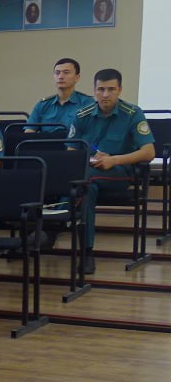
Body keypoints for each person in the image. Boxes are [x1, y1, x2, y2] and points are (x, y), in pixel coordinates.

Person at [71, 68, 155, 275]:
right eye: (100, 89)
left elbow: (149, 152)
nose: (105, 94)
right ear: (94, 90)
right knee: (86, 187)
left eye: (111, 89)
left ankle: (53, 228)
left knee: (83, 181)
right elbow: (70, 151)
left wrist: (114, 160)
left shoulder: (132, 113)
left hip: (121, 172)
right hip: (89, 174)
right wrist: (90, 159)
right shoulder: (82, 115)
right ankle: (86, 253)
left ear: (120, 90)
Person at [26, 58, 92, 136]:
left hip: (74, 143)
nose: (60, 76)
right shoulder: (42, 105)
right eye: (57, 73)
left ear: (77, 78)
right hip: (47, 143)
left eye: (66, 73)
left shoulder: (87, 103)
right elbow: (29, 133)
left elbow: (91, 133)